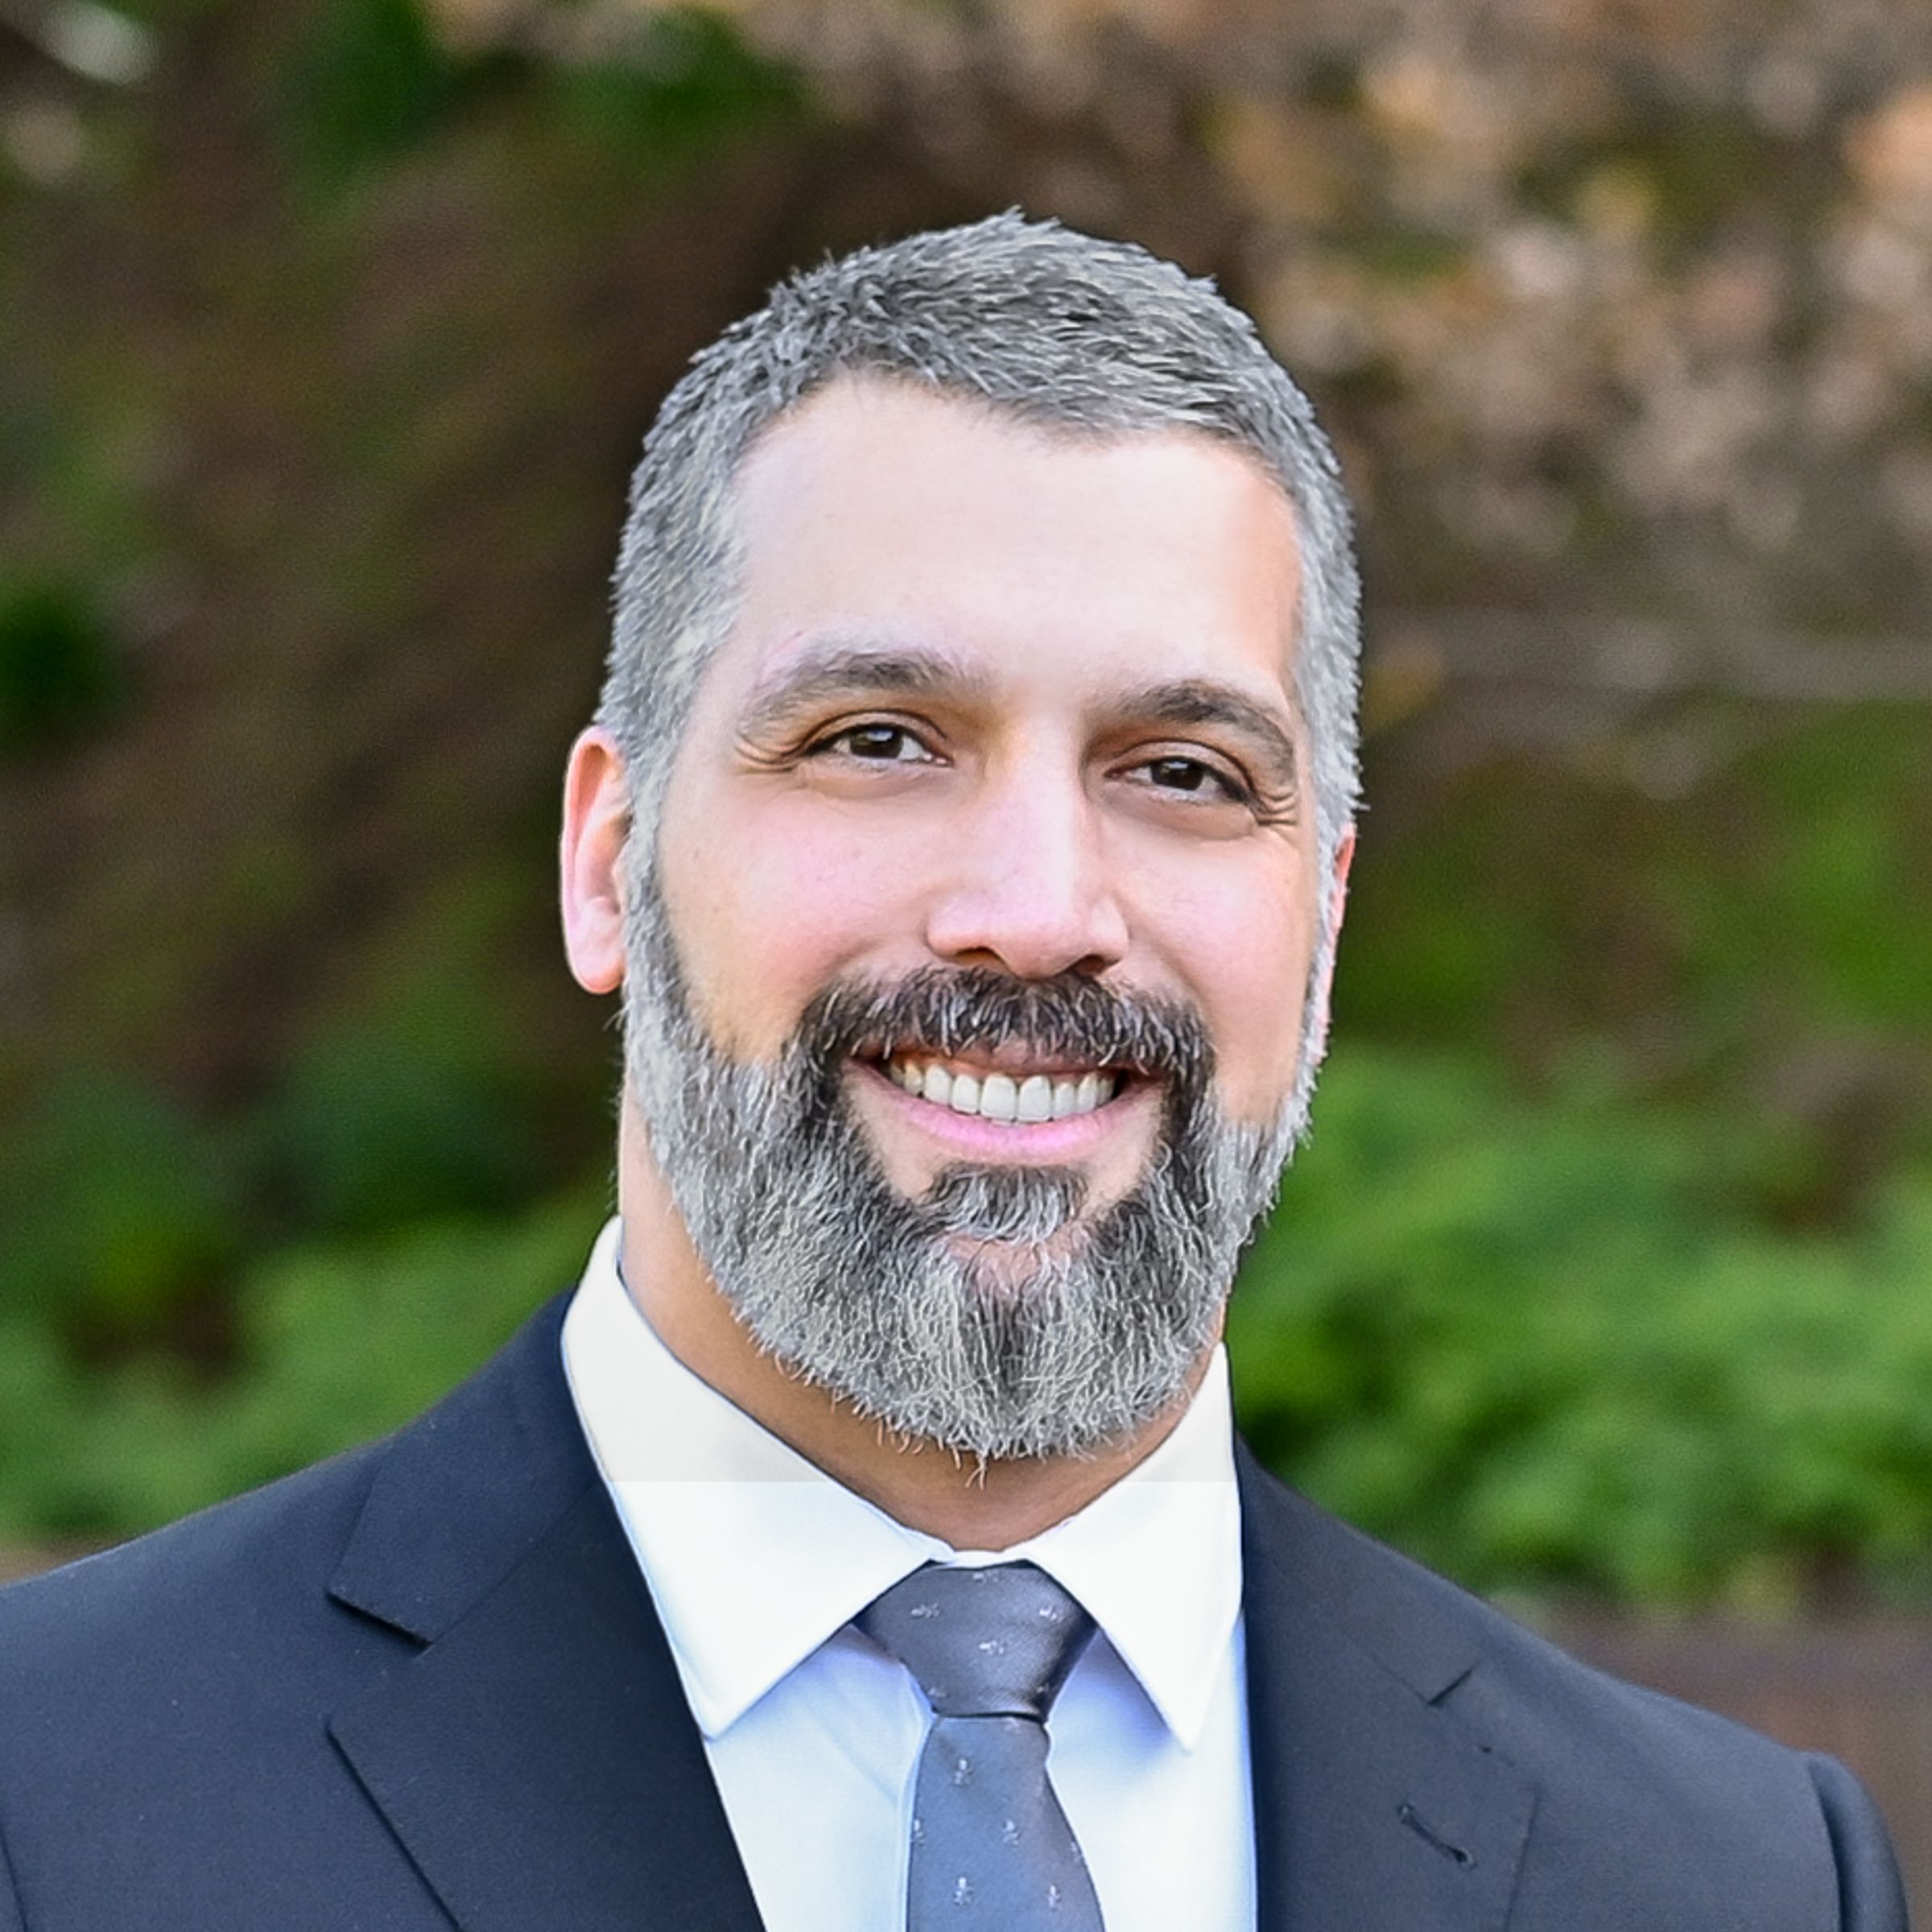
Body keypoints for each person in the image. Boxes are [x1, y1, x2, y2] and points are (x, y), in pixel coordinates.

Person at [0, 215, 1907, 1932]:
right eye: (881, 740)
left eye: (1181, 772)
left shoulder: (1731, 1883)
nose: (1040, 913)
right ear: (606, 859)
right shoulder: (55, 1805)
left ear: (1324, 917)